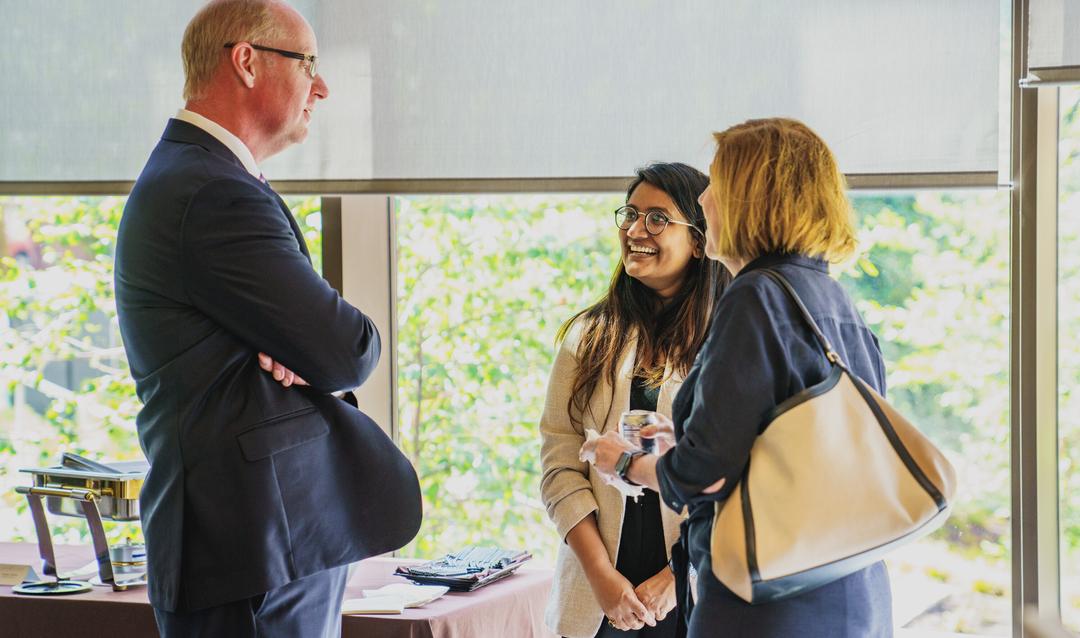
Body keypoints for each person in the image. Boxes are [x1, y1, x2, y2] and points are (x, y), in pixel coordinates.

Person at [113, 1, 421, 635]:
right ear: (247, 61)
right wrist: (312, 345)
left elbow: (317, 343)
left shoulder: (206, 177)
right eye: (308, 62)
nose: (323, 86)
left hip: (266, 544)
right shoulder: (211, 191)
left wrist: (302, 343)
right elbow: (347, 351)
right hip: (250, 551)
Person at [583, 118, 893, 636]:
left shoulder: (754, 298)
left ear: (752, 199)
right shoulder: (832, 300)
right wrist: (688, 436)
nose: (705, 203)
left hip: (770, 600)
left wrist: (626, 462)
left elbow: (703, 476)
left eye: (716, 186)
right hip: (849, 589)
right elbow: (807, 449)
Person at [540, 163, 730, 638]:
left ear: (700, 240)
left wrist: (677, 576)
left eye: (657, 218)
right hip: (597, 597)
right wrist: (602, 577)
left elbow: (737, 479)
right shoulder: (587, 336)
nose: (635, 229)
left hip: (694, 591)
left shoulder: (730, 341)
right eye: (630, 214)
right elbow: (559, 465)